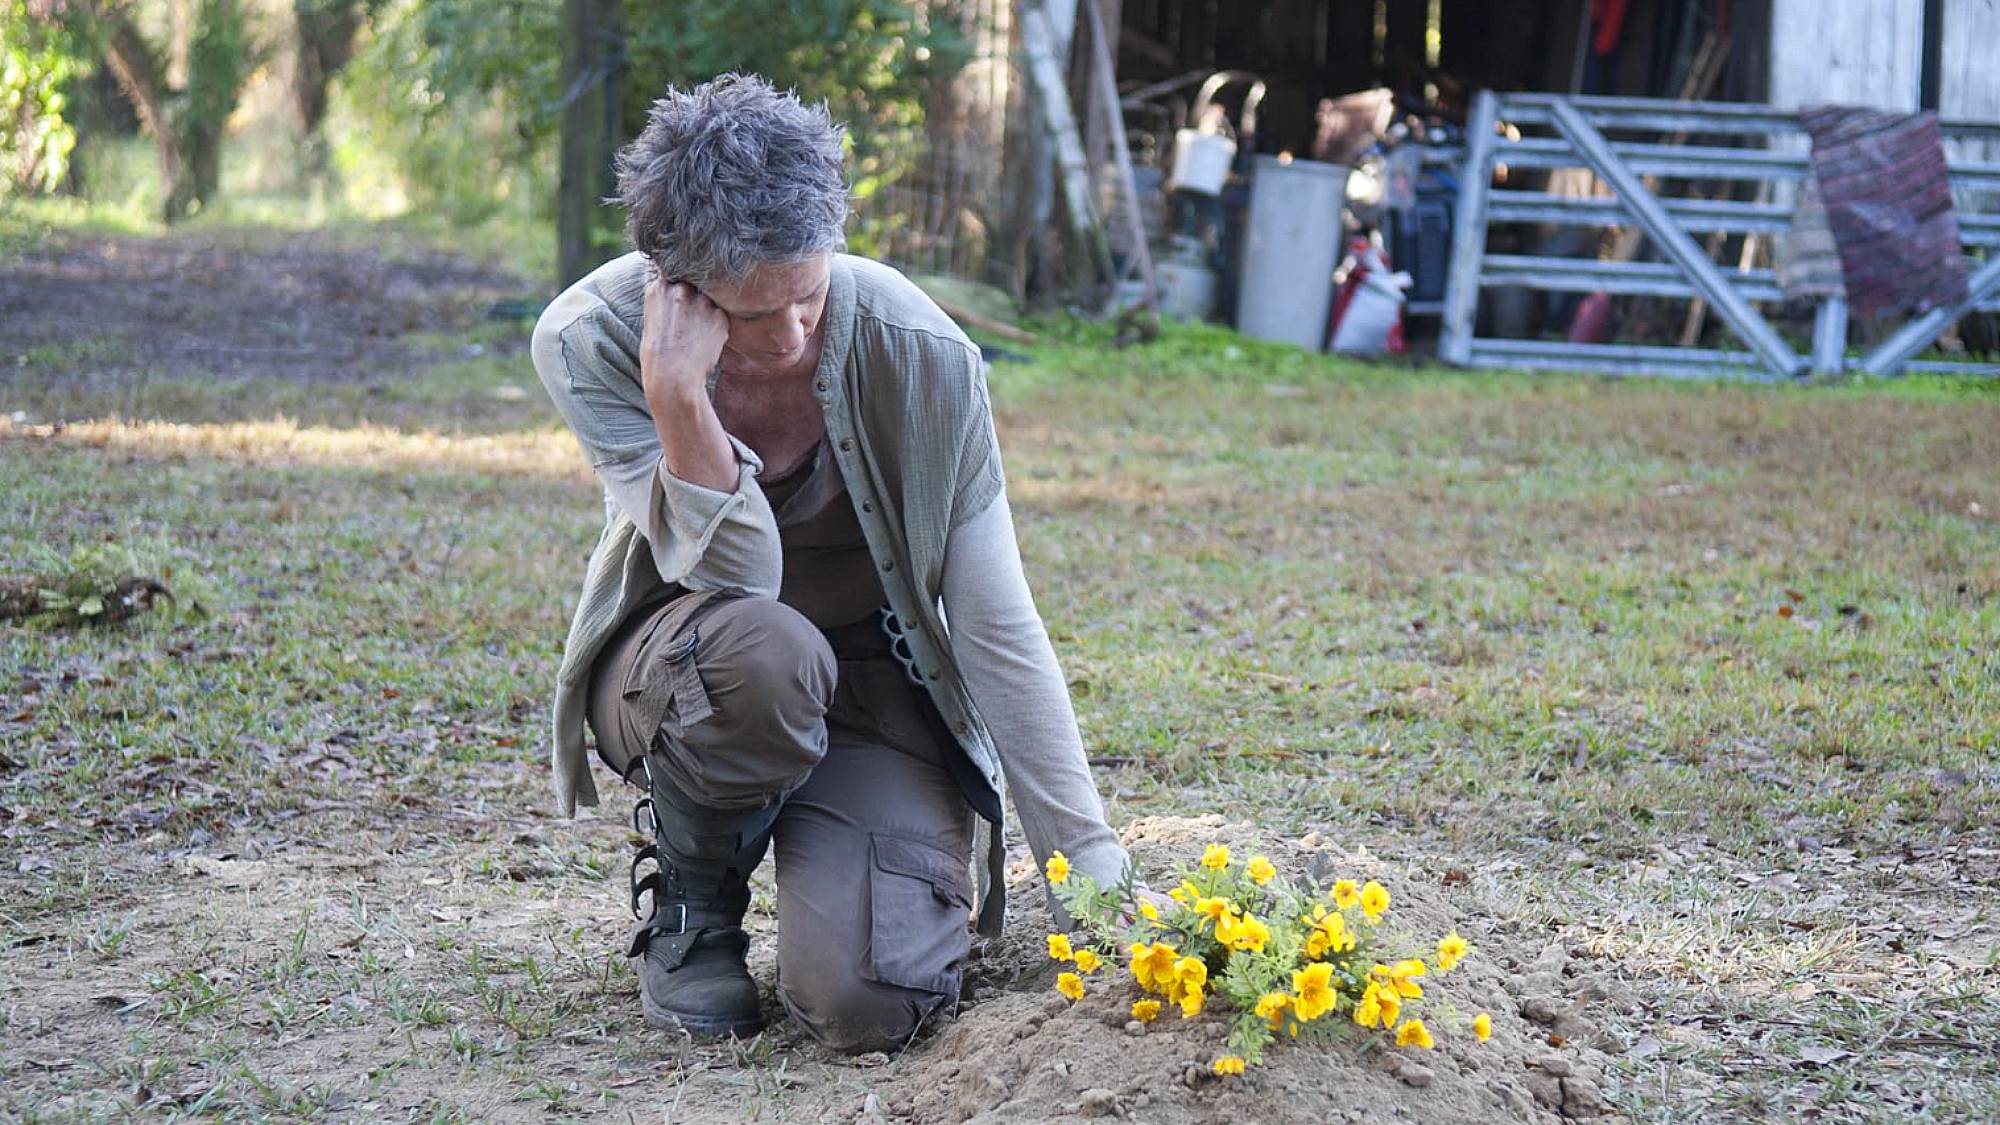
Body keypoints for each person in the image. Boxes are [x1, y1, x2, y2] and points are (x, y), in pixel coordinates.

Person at [530, 74, 1131, 1053]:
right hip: (693, 666)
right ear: (671, 285)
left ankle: (834, 855)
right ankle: (694, 901)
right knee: (764, 654)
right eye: (751, 315)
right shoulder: (589, 339)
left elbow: (992, 622)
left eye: (809, 296)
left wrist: (1091, 872)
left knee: (868, 1003)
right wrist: (680, 400)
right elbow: (727, 575)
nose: (794, 336)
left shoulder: (922, 352)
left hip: (868, 683)